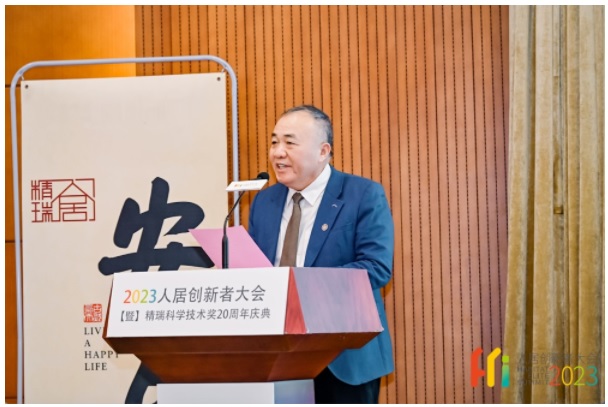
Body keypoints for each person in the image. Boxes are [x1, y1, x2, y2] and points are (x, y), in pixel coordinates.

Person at [248, 105, 394, 404]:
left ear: (322, 151)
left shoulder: (362, 194)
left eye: (290, 142)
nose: (277, 152)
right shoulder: (264, 202)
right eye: (274, 142)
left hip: (344, 355)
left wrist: (301, 285)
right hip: (278, 354)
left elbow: (376, 267)